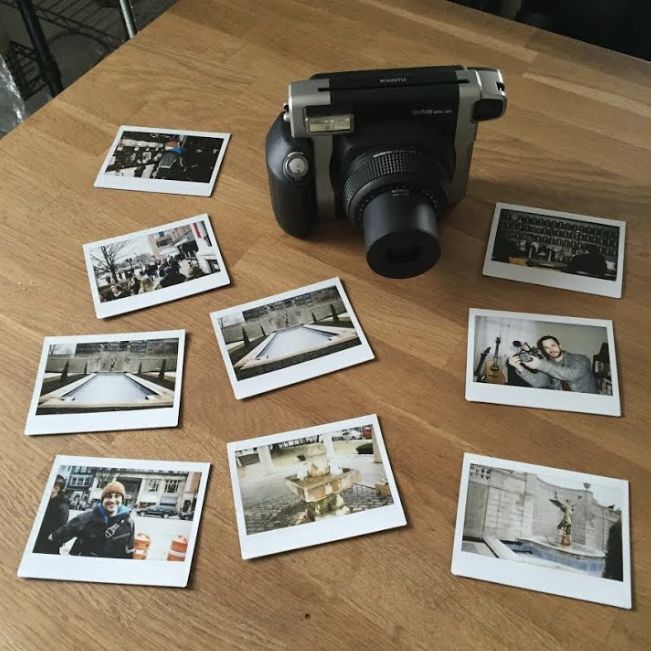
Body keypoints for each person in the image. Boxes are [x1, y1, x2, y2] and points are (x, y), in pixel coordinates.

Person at [48, 481, 135, 559]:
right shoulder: (85, 518)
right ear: (102, 500)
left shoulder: (129, 523)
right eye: (108, 496)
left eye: (117, 496)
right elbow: (54, 537)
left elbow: (129, 553)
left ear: (122, 500)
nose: (112, 500)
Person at [507, 335, 598, 393]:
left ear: (560, 346)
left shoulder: (581, 359)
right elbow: (539, 382)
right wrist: (519, 367)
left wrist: (540, 364)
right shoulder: (548, 363)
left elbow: (571, 375)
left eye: (553, 345)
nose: (551, 350)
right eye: (546, 348)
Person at [33, 475, 69, 554]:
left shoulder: (62, 506)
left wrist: (54, 540)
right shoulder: (45, 500)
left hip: (49, 544)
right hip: (38, 540)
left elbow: (62, 528)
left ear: (56, 489)